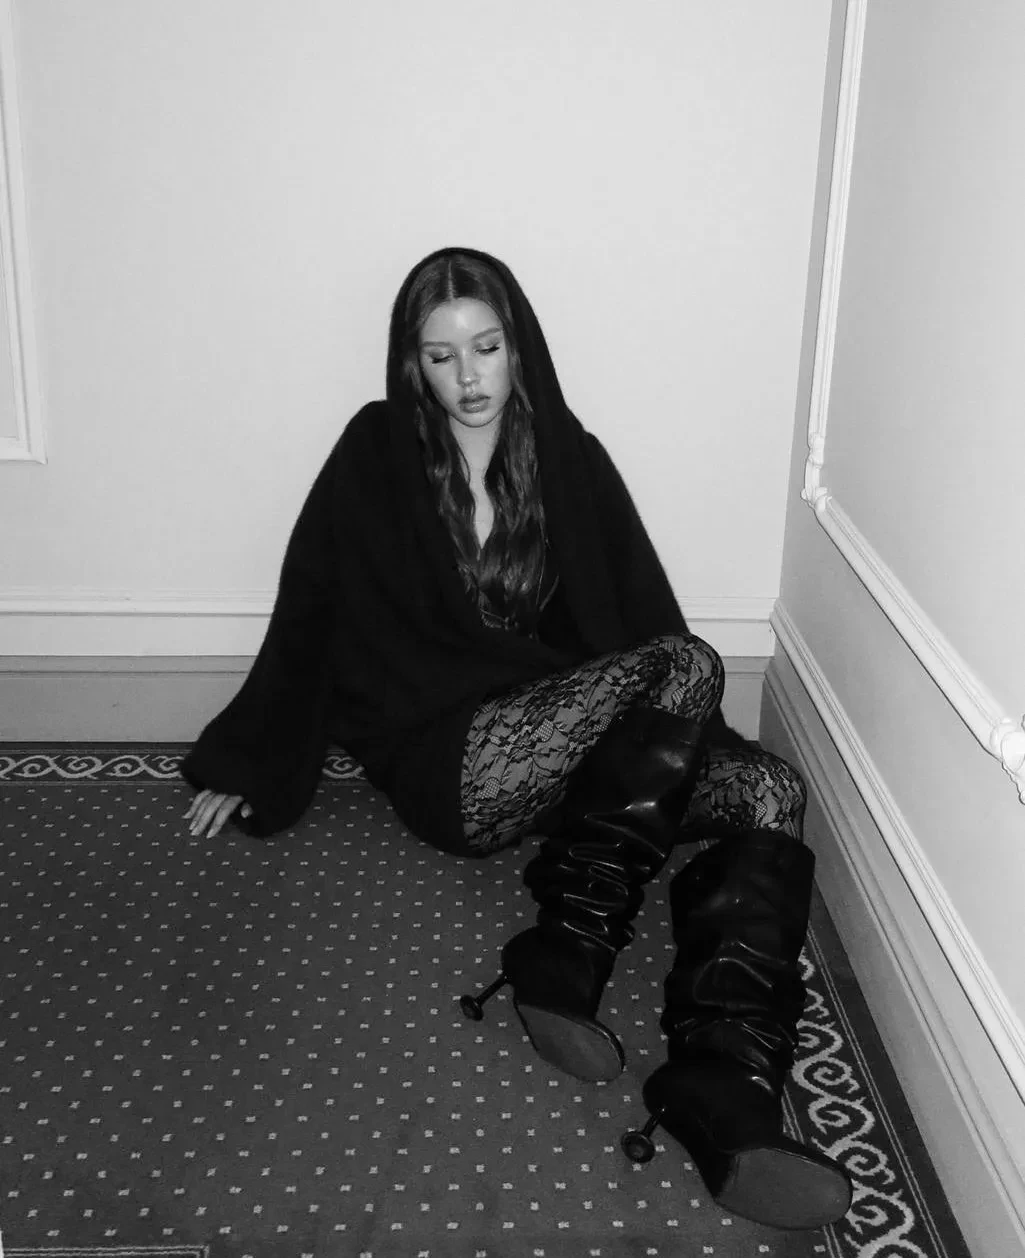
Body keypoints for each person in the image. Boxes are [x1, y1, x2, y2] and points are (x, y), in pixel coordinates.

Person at [181, 246, 852, 1230]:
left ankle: (722, 1084)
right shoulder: (374, 452)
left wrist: (687, 754)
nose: (467, 377)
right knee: (685, 663)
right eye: (440, 355)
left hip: (570, 758)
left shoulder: (566, 457)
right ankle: (566, 945)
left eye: (485, 348)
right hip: (450, 759)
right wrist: (249, 759)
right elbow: (309, 610)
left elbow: (636, 612)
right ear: (411, 364)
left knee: (770, 791)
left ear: (517, 348)